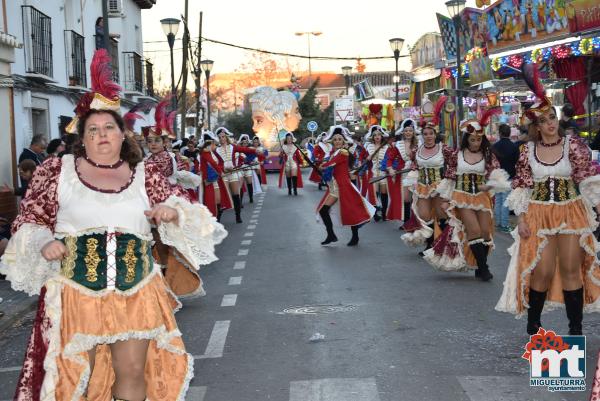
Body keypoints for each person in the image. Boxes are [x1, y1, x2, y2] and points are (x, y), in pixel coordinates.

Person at [0, 49, 227, 401]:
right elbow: (30, 217)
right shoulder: (56, 172)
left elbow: (185, 204)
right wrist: (44, 240)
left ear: (123, 135)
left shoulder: (143, 174)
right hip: (76, 291)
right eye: (93, 130)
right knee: (78, 375)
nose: (102, 134)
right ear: (82, 138)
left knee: (133, 372)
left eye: (109, 127)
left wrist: (171, 211)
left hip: (136, 289)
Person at [496, 63, 600, 336]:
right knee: (541, 270)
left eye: (552, 118)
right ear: (536, 126)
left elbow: (587, 178)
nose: (550, 124)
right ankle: (534, 323)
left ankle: (575, 329)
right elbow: (522, 186)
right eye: (543, 121)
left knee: (570, 268)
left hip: (571, 212)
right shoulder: (526, 151)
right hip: (538, 214)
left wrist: (598, 207)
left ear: (557, 120)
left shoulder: (573, 145)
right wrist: (520, 219)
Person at [423, 110, 510, 280]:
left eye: (478, 140)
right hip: (461, 197)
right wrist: (446, 200)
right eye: (472, 140)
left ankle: (479, 264)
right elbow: (449, 178)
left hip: (481, 198)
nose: (476, 143)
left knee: (485, 232)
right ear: (466, 139)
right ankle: (484, 268)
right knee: (474, 229)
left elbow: (498, 176)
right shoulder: (457, 155)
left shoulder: (488, 155)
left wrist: (489, 185)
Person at [316, 126, 375, 246]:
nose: (337, 141)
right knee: (324, 210)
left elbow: (332, 163)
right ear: (332, 141)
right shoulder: (332, 153)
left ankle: (353, 237)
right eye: (335, 139)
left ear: (343, 141)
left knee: (350, 212)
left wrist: (323, 166)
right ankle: (331, 235)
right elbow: (329, 165)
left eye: (340, 139)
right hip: (334, 186)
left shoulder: (343, 153)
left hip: (343, 186)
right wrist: (321, 165)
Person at [401, 121, 450, 256]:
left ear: (435, 135)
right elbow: (414, 164)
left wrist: (448, 179)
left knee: (442, 216)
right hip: (423, 186)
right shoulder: (417, 149)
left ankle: (440, 245)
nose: (428, 136)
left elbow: (453, 165)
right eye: (425, 134)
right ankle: (430, 244)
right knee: (424, 216)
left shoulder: (443, 148)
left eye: (431, 134)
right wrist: (412, 173)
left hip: (439, 187)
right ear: (422, 135)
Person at [214, 127, 257, 223]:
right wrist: (223, 169)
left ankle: (238, 216)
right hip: (224, 174)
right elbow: (216, 164)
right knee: (221, 197)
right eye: (220, 137)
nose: (222, 139)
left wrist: (255, 151)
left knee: (236, 195)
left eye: (223, 137)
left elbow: (244, 149)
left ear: (226, 137)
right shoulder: (216, 150)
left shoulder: (233, 147)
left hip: (233, 173)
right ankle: (218, 218)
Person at [387, 119, 419, 229]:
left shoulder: (419, 143)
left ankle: (416, 222)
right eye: (406, 131)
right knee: (406, 199)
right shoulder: (397, 145)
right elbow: (390, 159)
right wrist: (390, 169)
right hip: (403, 174)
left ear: (413, 132)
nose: (408, 133)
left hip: (417, 174)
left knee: (416, 198)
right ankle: (406, 222)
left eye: (410, 130)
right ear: (403, 132)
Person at [492, 124, 519, 232]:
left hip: (497, 176)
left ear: (500, 133)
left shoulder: (494, 146)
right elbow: (517, 163)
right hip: (509, 176)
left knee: (498, 200)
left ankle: (498, 223)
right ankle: (504, 224)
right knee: (505, 201)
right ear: (509, 133)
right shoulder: (514, 147)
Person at [199, 131, 232, 220]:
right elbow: (213, 163)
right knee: (212, 202)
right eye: (212, 143)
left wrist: (225, 169)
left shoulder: (213, 152)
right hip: (208, 180)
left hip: (216, 179)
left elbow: (220, 163)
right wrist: (221, 172)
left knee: (218, 201)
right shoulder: (205, 153)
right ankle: (214, 221)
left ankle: (217, 221)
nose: (214, 145)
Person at [364, 125, 390, 221]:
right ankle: (375, 214)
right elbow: (363, 159)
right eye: (375, 135)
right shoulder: (368, 147)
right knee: (374, 194)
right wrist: (367, 158)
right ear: (372, 137)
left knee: (384, 193)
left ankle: (384, 214)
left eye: (379, 134)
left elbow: (389, 159)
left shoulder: (386, 147)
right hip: (373, 173)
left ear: (382, 136)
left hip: (383, 174)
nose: (377, 137)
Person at [237, 134, 262, 204]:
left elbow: (254, 157)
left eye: (246, 143)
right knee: (241, 185)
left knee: (249, 183)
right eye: (243, 143)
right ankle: (240, 201)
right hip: (241, 169)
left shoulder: (250, 149)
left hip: (248, 168)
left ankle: (251, 198)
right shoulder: (238, 150)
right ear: (241, 143)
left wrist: (254, 161)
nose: (245, 144)